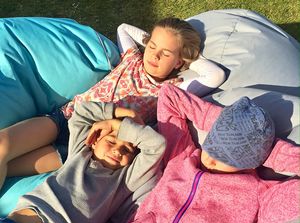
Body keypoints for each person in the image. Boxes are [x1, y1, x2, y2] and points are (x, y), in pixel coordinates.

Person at [89, 84, 299, 223]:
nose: (210, 157)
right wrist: (221, 123)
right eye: (212, 146)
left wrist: (269, 153)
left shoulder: (257, 197)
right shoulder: (181, 155)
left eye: (225, 157)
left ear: (249, 163)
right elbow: (170, 96)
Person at [0, 17, 226, 191]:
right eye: (152, 46)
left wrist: (188, 56)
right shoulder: (131, 58)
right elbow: (124, 28)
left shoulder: (171, 90)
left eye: (165, 54)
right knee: (2, 146)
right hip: (66, 117)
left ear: (178, 61)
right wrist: (155, 41)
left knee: (9, 168)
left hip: (83, 146)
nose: (154, 56)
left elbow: (215, 75)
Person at [0, 100, 166, 223]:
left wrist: (119, 128)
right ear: (95, 139)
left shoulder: (123, 182)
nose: (118, 150)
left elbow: (156, 146)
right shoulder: (80, 152)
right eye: (112, 141)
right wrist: (120, 116)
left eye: (127, 150)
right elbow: (82, 111)